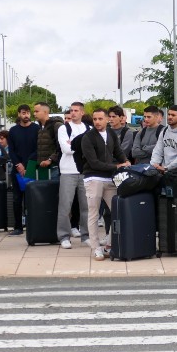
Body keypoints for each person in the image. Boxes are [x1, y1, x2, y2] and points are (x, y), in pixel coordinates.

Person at [81, 109, 130, 260]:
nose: (97, 122)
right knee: (94, 214)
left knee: (116, 211)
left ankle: (109, 244)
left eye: (100, 119)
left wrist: (125, 161)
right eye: (95, 119)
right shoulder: (87, 137)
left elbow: (118, 151)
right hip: (93, 178)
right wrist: (116, 166)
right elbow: (93, 162)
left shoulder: (111, 134)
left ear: (107, 119)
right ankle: (96, 248)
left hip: (109, 179)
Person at [56, 102, 89, 248]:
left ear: (82, 112)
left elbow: (92, 149)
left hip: (84, 171)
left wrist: (74, 145)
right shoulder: (64, 128)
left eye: (76, 110)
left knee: (87, 206)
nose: (73, 113)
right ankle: (64, 236)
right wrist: (82, 147)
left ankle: (86, 235)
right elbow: (65, 149)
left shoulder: (88, 128)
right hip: (68, 171)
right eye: (71, 110)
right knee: (65, 205)